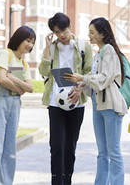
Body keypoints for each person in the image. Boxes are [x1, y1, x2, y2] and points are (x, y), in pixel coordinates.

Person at [65, 17, 127, 185]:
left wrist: (83, 77)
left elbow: (105, 79)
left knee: (113, 152)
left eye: (92, 32)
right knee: (102, 153)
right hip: (98, 105)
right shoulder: (99, 53)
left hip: (111, 107)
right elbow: (95, 85)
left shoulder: (109, 50)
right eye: (89, 32)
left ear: (102, 34)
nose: (89, 35)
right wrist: (81, 85)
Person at [38, 12, 93, 185]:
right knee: (56, 146)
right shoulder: (53, 48)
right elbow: (44, 72)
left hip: (76, 103)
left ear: (70, 27)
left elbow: (89, 72)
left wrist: (80, 89)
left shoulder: (84, 47)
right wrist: (47, 47)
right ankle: (56, 181)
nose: (61, 35)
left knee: (70, 146)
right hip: (55, 102)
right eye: (56, 32)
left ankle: (67, 180)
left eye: (63, 30)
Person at [0, 26, 36, 185]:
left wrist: (15, 81)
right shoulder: (5, 54)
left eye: (32, 42)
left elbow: (31, 88)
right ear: (18, 39)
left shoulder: (24, 63)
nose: (30, 45)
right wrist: (20, 89)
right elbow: (2, 79)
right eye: (27, 40)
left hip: (14, 104)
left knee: (9, 150)